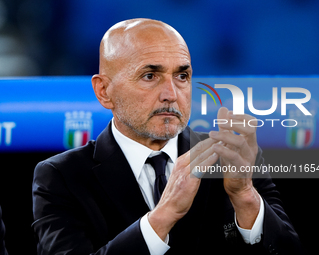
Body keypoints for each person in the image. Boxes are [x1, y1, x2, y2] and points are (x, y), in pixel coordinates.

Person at [32, 18, 303, 254]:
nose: (171, 94)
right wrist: (162, 218)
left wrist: (245, 197)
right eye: (150, 76)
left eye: (182, 76)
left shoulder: (233, 156)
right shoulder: (62, 177)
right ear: (104, 91)